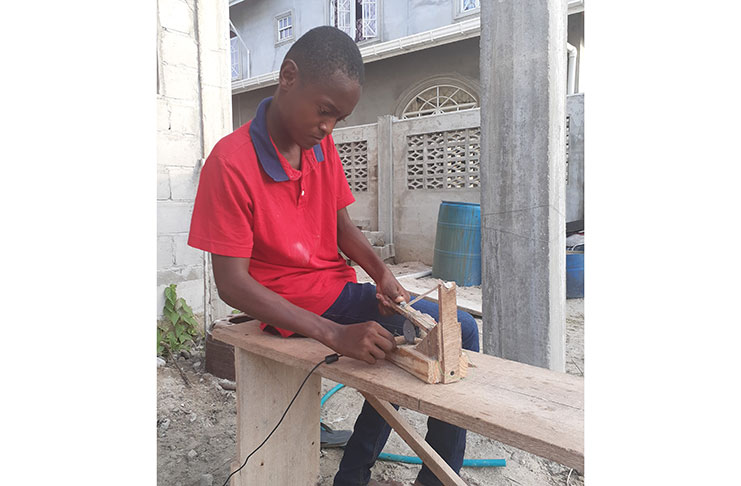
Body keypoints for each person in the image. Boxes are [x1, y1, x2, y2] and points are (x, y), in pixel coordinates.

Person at [188, 26, 479, 486]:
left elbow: (341, 227)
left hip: (337, 292)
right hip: (295, 306)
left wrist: (381, 273)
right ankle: (409, 478)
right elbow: (231, 285)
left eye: (339, 119)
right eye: (325, 111)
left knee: (418, 338)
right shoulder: (230, 163)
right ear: (288, 76)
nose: (329, 128)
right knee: (456, 328)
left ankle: (357, 474)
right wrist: (333, 334)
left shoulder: (319, 147)